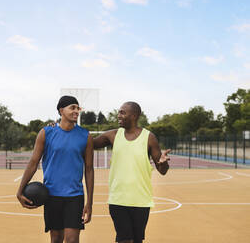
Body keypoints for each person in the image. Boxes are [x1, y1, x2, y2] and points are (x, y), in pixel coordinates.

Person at [16, 95, 94, 243]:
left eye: (78, 108)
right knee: (56, 238)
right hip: (51, 195)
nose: (76, 111)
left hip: (75, 196)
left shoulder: (85, 136)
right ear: (61, 110)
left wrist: (89, 202)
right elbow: (33, 163)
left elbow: (89, 170)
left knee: (72, 240)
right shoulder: (46, 133)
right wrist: (20, 190)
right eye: (72, 107)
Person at [93, 101, 170, 243]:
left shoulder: (149, 137)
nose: (118, 115)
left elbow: (162, 170)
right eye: (119, 112)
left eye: (122, 112)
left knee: (137, 240)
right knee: (124, 239)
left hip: (141, 200)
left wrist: (163, 163)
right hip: (118, 199)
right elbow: (89, 143)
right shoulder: (113, 135)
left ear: (134, 116)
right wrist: (63, 127)